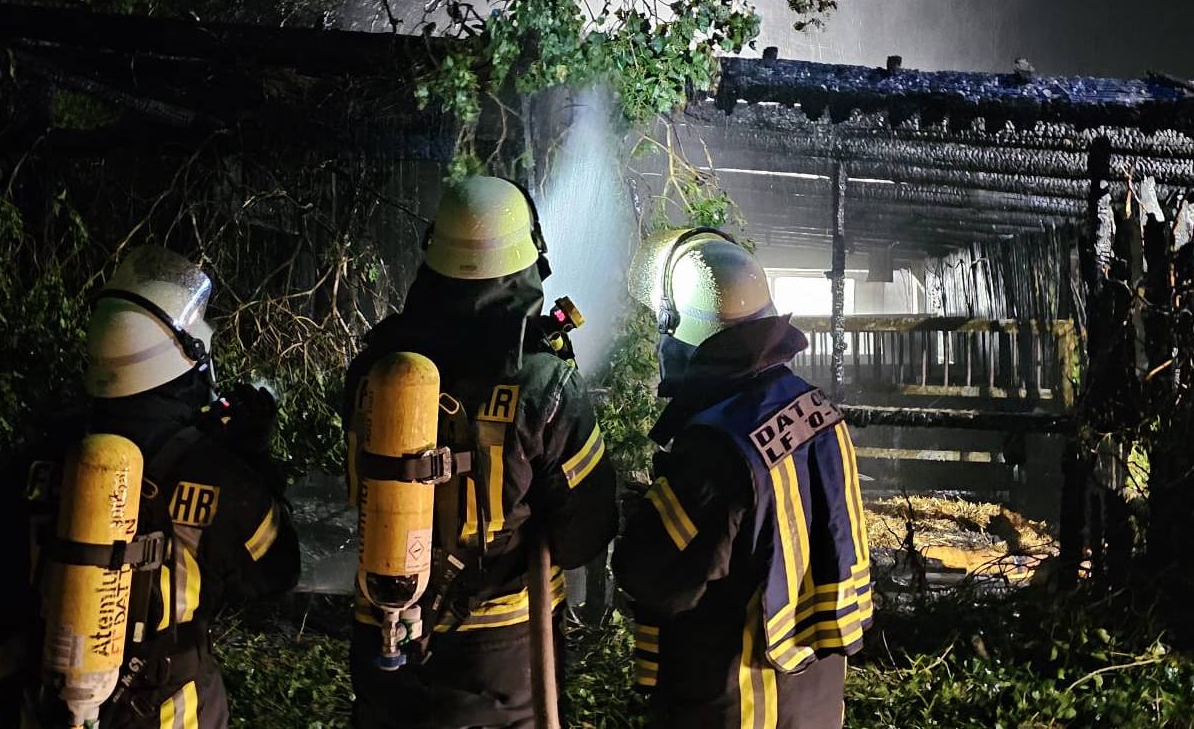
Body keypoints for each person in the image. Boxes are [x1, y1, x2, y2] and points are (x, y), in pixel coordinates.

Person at [0, 245, 300, 729]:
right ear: (187, 357)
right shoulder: (216, 473)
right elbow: (278, 572)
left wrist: (17, 705)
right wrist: (254, 461)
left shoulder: (37, 459)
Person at [345, 175, 618, 729]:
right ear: (529, 257)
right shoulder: (543, 381)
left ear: (432, 254)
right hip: (501, 652)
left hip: (381, 629)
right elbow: (584, 531)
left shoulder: (375, 363)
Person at [612, 229, 872, 729]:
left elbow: (660, 579)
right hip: (812, 696)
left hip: (740, 699)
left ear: (680, 326)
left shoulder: (716, 446)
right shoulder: (814, 407)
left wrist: (637, 518)